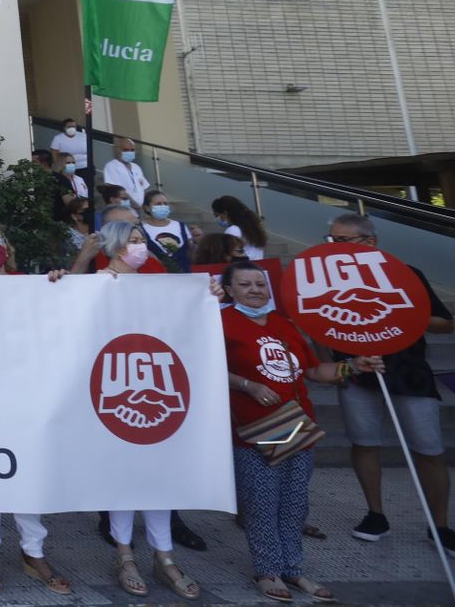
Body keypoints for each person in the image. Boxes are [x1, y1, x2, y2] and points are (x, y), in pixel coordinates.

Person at [222, 258, 381, 602]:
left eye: (260, 284)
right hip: (255, 427)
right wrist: (247, 385)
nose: (254, 290)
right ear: (229, 289)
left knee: (295, 503)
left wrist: (351, 366)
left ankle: (293, 569)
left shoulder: (284, 324)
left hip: (297, 424)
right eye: (245, 284)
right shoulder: (221, 322)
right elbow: (204, 368)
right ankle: (267, 571)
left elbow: (313, 371)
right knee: (262, 503)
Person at [97, 217, 221, 598]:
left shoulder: (158, 286)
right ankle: (125, 555)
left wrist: (206, 294)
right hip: (111, 385)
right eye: (134, 240)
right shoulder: (93, 286)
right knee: (120, 477)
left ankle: (164, 556)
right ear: (117, 246)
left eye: (140, 239)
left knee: (159, 473)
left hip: (153, 383)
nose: (140, 246)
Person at [324, 213, 455, 549]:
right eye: (331, 240)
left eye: (341, 240)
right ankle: (375, 514)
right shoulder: (326, 279)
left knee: (429, 449)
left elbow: (444, 323)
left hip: (409, 371)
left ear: (369, 242)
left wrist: (408, 313)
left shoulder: (407, 274)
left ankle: (440, 526)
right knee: (364, 442)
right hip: (357, 370)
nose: (333, 247)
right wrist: (335, 366)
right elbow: (317, 324)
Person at [0, 223, 74, 596]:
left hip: (27, 394)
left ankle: (33, 551)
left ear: (7, 247)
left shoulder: (32, 283)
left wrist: (60, 284)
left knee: (27, 473)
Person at [141, 189, 195, 270]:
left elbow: (191, 250)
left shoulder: (180, 226)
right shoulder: (141, 229)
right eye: (158, 204)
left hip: (184, 274)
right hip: (157, 276)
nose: (163, 206)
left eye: (165, 204)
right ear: (147, 208)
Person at [212, 195, 268, 260]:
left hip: (242, 266)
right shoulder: (252, 227)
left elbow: (228, 255)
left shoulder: (233, 230)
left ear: (225, 213)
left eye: (217, 215)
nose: (216, 218)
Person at [102, 137, 150, 209]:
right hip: (124, 208)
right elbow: (117, 190)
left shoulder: (136, 167)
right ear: (118, 150)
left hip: (140, 208)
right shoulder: (111, 166)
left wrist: (145, 204)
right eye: (126, 150)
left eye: (132, 150)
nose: (130, 152)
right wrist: (135, 205)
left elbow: (144, 187)